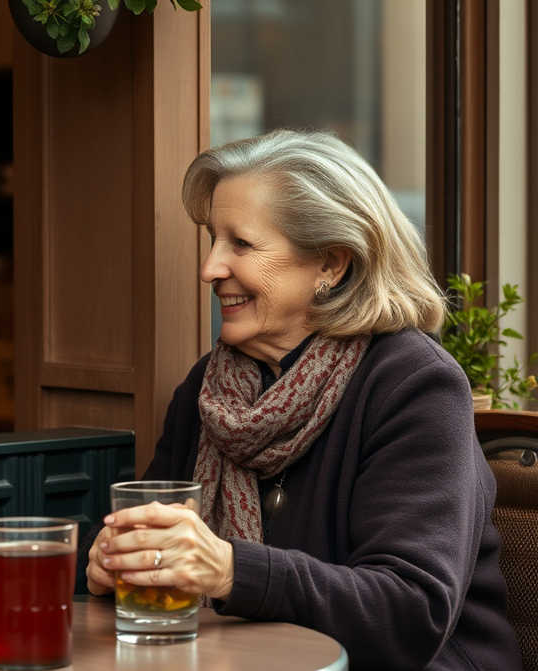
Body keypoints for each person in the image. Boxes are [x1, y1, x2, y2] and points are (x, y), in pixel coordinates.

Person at [82, 130, 523, 670]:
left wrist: (228, 569)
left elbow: (410, 613)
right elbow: (162, 549)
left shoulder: (414, 385)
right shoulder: (209, 387)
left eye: (240, 244)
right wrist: (118, 566)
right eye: (212, 240)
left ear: (331, 265)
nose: (211, 269)